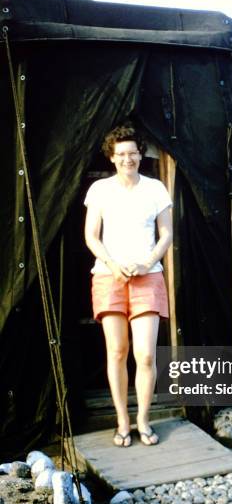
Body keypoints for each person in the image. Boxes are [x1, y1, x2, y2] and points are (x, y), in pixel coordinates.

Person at [84, 125, 173, 447]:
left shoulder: (155, 189)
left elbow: (166, 234)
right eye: (121, 154)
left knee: (145, 355)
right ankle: (122, 422)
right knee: (117, 351)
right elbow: (91, 236)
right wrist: (112, 264)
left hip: (147, 277)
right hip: (109, 276)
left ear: (141, 154)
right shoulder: (100, 190)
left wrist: (147, 262)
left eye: (133, 153)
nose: (127, 159)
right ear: (112, 156)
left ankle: (143, 420)